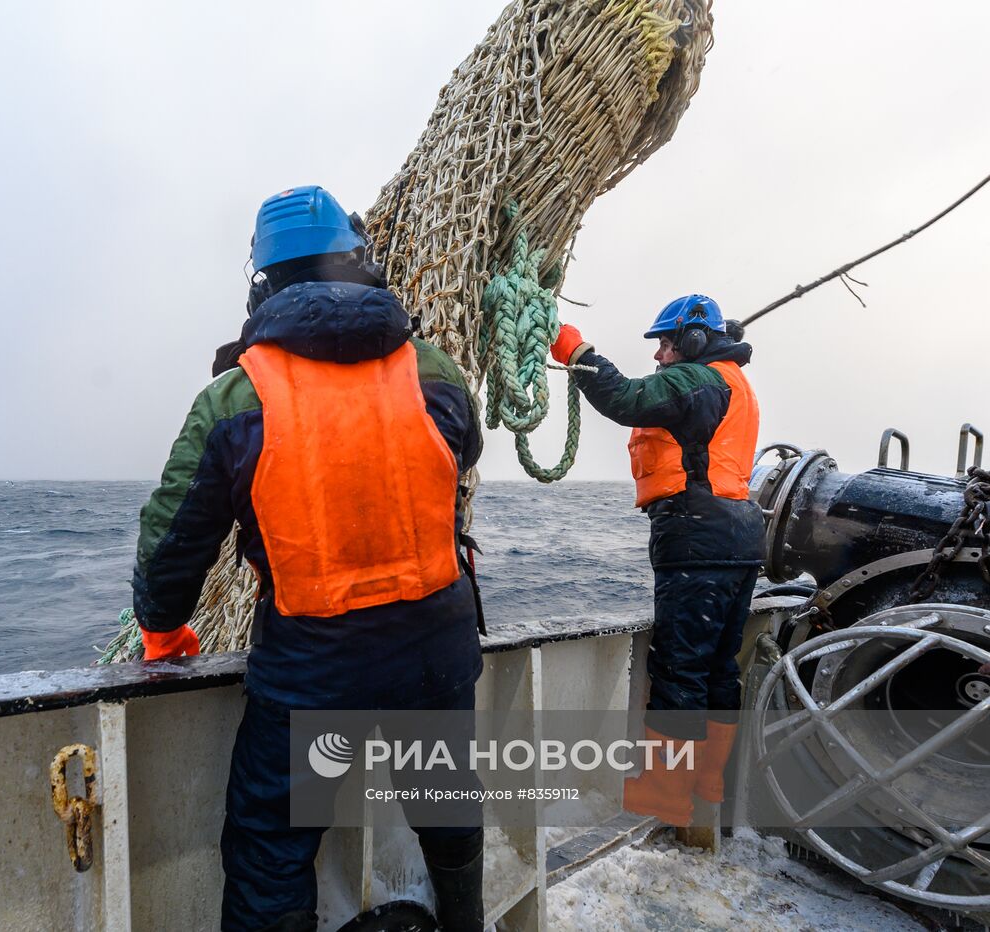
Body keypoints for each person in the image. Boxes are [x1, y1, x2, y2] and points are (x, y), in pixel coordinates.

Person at [132, 185, 487, 932]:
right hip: (436, 650)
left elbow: (174, 542)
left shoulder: (234, 398)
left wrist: (162, 630)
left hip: (315, 670)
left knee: (272, 846)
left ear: (263, 284)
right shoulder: (436, 371)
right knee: (447, 807)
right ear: (360, 265)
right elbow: (462, 458)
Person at [550, 295, 763, 827]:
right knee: (718, 667)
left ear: (692, 340)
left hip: (698, 536)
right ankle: (707, 781)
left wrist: (576, 350)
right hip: (737, 534)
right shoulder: (730, 382)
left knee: (679, 668)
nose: (659, 355)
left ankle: (664, 793)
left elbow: (624, 398)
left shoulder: (698, 379)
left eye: (665, 344)